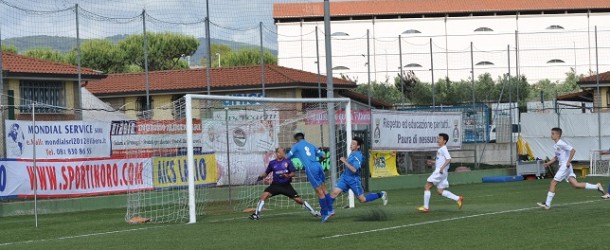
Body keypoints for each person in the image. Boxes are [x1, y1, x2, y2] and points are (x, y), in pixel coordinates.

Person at [537, 127, 605, 209]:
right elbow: (556, 157)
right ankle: (596, 186)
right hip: (566, 167)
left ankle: (547, 204)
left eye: (553, 133)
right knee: (575, 185)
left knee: (553, 182)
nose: (551, 135)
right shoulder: (556, 145)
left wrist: (568, 162)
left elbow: (573, 150)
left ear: (558, 135)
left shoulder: (561, 143)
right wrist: (548, 163)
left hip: (565, 166)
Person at [325, 136, 388, 222]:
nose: (351, 145)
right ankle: (326, 211)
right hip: (345, 177)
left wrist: (345, 161)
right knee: (334, 193)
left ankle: (381, 194)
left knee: (362, 200)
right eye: (351, 143)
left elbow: (354, 170)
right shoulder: (353, 153)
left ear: (358, 146)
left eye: (354, 144)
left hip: (353, 180)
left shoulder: (357, 156)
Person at [249, 147, 320, 220]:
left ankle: (314, 212)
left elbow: (293, 173)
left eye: (282, 152)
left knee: (299, 200)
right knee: (263, 196)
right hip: (275, 185)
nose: (281, 154)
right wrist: (260, 177)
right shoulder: (272, 163)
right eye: (279, 152)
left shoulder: (288, 162)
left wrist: (288, 175)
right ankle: (256, 215)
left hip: (286, 186)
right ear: (276, 153)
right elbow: (266, 173)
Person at [286, 130, 332, 222]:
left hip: (310, 168)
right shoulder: (311, 145)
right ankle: (330, 209)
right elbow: (323, 156)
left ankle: (325, 213)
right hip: (318, 166)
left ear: (295, 138)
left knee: (319, 191)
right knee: (324, 189)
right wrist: (317, 161)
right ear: (303, 136)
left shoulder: (296, 146)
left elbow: (287, 157)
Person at [417, 133, 463, 213]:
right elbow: (441, 160)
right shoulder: (441, 149)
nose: (438, 140)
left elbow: (448, 159)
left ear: (444, 141)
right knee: (440, 191)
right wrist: (433, 162)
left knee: (427, 186)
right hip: (443, 172)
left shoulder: (443, 149)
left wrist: (441, 168)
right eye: (438, 139)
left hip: (440, 171)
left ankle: (426, 208)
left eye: (440, 139)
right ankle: (458, 198)